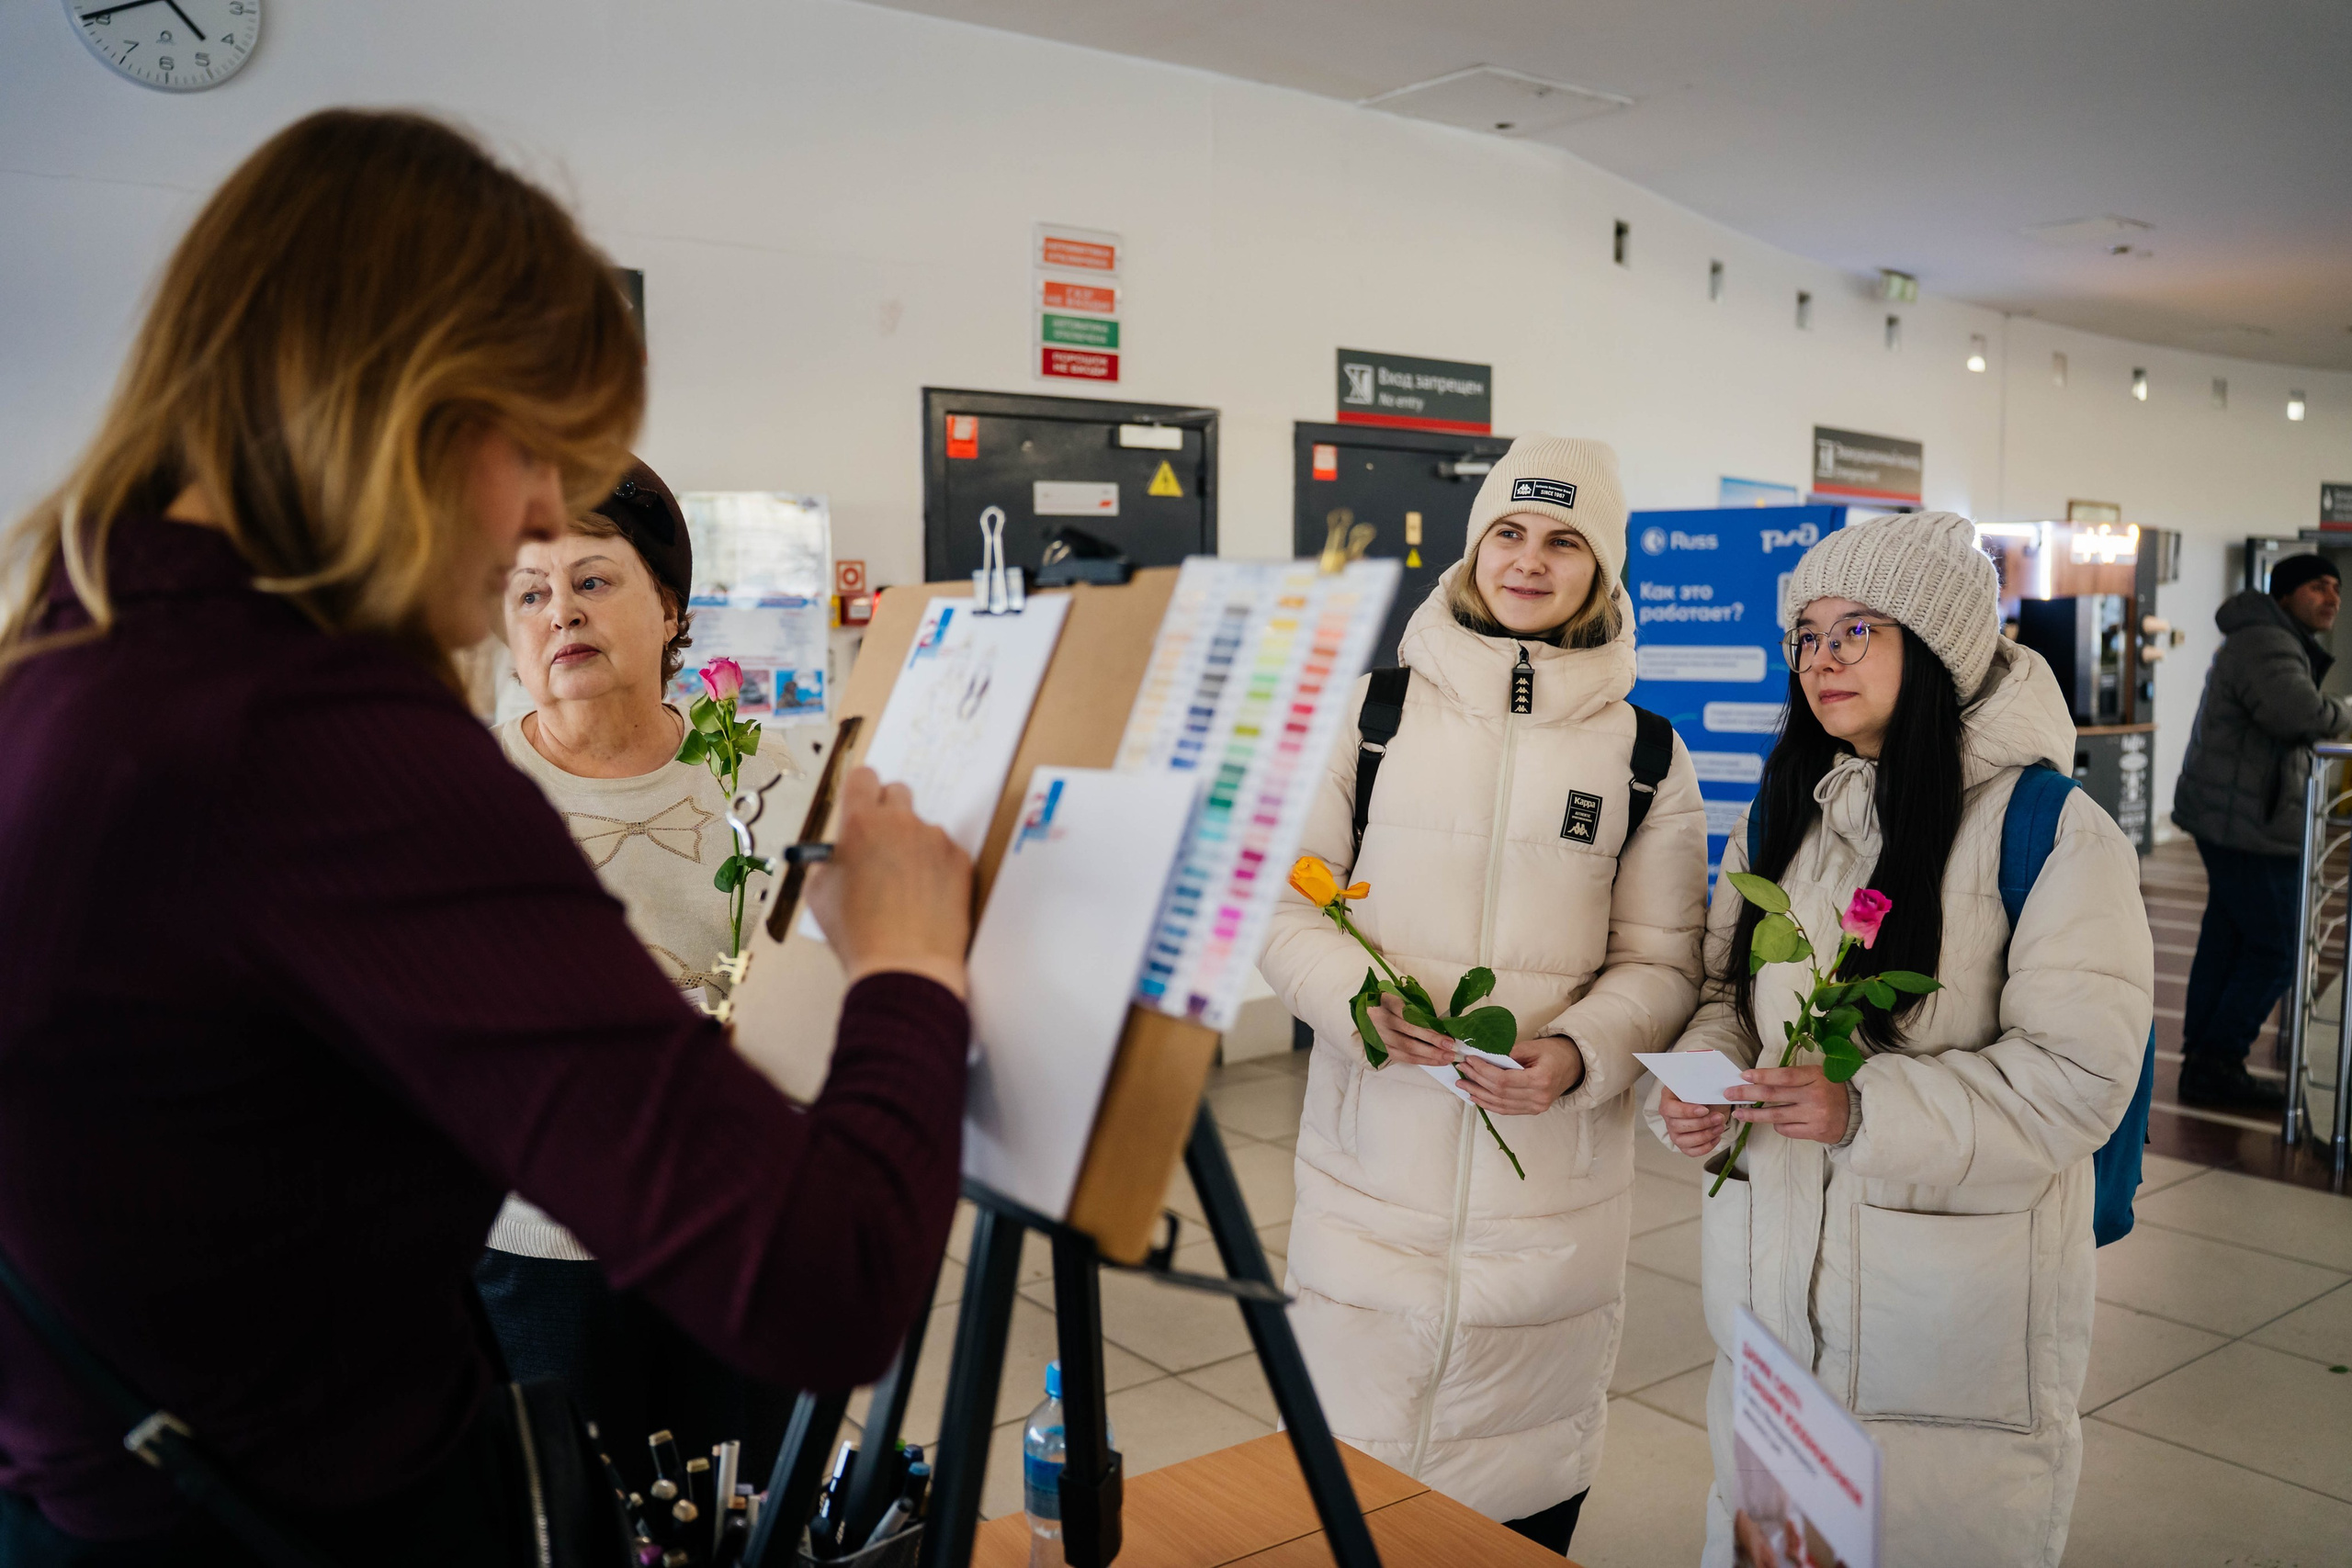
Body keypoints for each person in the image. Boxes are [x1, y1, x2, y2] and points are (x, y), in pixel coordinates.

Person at [0, 108, 970, 1563]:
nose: (532, 525)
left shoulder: (71, 656)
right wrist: (909, 966)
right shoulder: (314, 737)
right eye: (535, 449)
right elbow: (820, 1279)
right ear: (402, 398)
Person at [1649, 513, 2153, 1568]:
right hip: (1770, 1306)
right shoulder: (1787, 806)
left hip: (1940, 1326)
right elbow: (1722, 990)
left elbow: (2077, 1076)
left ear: (1933, 649)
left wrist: (1862, 1108)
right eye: (1806, 635)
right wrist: (1705, 1079)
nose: (1820, 660)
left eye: (1856, 632)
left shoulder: (2052, 830)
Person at [1259, 435, 1709, 1554]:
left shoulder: (1645, 754)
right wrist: (1358, 1003)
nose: (1528, 560)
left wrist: (1581, 1053)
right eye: (1508, 531)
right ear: (1473, 550)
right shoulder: (1371, 719)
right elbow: (1276, 910)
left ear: (1599, 572)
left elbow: (1664, 964)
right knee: (1339, 1499)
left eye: (1563, 541)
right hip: (1369, 1190)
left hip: (1547, 1213)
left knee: (1514, 1508)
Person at [474, 458, 795, 1499]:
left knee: (741, 1510)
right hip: (541, 1249)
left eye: (592, 580)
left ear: (668, 605)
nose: (560, 611)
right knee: (571, 1518)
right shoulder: (460, 792)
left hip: (734, 1232)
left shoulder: (768, 773)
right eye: (530, 592)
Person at [2168, 552, 2349, 1112]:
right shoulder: (2266, 641)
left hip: (2242, 816)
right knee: (2278, 945)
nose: (2332, 599)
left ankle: (2205, 1061)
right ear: (2286, 593)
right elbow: (2300, 715)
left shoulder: (2271, 637)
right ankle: (2219, 1059)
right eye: (2318, 587)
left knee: (2230, 939)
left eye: (2336, 589)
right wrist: (2345, 713)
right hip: (2243, 821)